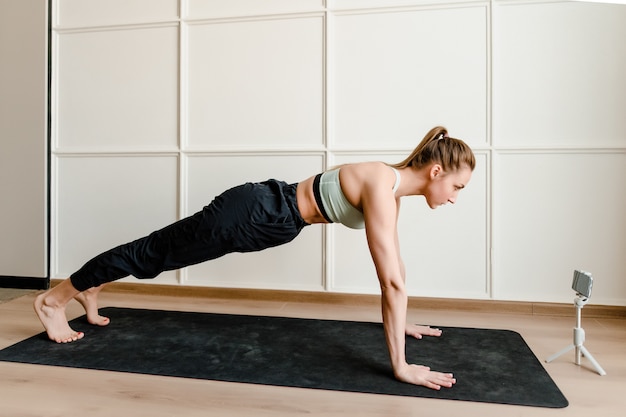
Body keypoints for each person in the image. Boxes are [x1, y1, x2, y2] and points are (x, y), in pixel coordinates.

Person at [34, 125, 475, 390]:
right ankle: (54, 300)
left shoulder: (390, 192)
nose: (455, 198)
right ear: (437, 172)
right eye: (457, 187)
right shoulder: (382, 185)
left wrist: (402, 322)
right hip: (254, 213)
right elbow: (392, 282)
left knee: (156, 255)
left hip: (266, 216)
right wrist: (399, 366)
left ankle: (91, 287)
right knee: (154, 253)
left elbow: (395, 270)